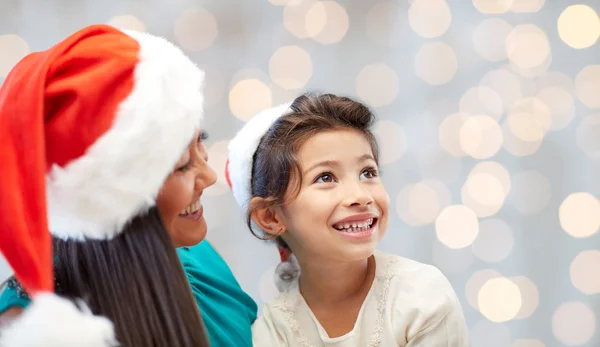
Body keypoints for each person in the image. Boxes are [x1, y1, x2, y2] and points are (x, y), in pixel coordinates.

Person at [0, 24, 253, 346]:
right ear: (109, 200)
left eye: (199, 142)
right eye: (183, 165)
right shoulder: (35, 332)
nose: (209, 177)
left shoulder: (199, 259)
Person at [225, 93, 471, 346]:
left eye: (368, 172)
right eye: (325, 177)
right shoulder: (273, 330)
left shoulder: (421, 296)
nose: (361, 196)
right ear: (270, 217)